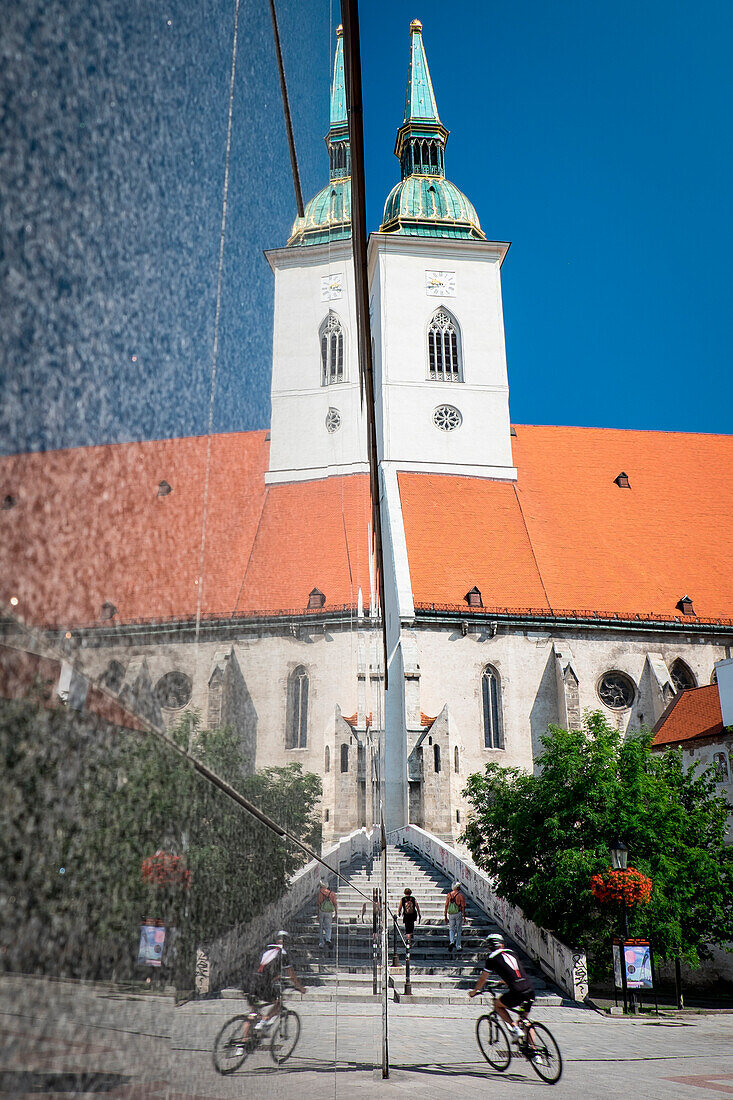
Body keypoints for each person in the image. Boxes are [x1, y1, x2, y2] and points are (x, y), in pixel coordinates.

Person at [468, 932, 535, 1042]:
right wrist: (504, 981)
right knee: (525, 1020)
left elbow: (483, 979)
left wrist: (475, 991)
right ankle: (535, 1054)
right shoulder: (512, 953)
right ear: (502, 944)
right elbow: (515, 971)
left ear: (489, 947)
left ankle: (515, 1028)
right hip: (529, 989)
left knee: (498, 1005)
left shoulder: (492, 958)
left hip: (517, 991)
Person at [241, 931, 306, 1041]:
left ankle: (243, 1044)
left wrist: (275, 977)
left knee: (253, 1013)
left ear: (277, 940)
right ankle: (263, 1023)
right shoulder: (282, 953)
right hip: (261, 983)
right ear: (287, 942)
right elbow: (292, 975)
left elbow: (262, 967)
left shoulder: (265, 949)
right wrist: (300, 987)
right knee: (278, 1003)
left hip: (248, 981)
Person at [444, 881, 466, 955]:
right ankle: (458, 945)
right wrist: (464, 916)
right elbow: (463, 906)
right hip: (458, 913)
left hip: (451, 913)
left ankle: (451, 941)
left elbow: (446, 905)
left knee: (451, 928)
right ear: (458, 887)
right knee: (459, 930)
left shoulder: (449, 895)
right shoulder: (460, 895)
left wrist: (445, 915)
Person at [317, 879, 338, 952]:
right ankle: (328, 939)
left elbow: (319, 904)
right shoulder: (332, 894)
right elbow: (335, 904)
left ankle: (321, 943)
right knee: (328, 926)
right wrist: (336, 913)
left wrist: (318, 914)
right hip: (329, 912)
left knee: (321, 927)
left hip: (322, 911)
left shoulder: (320, 892)